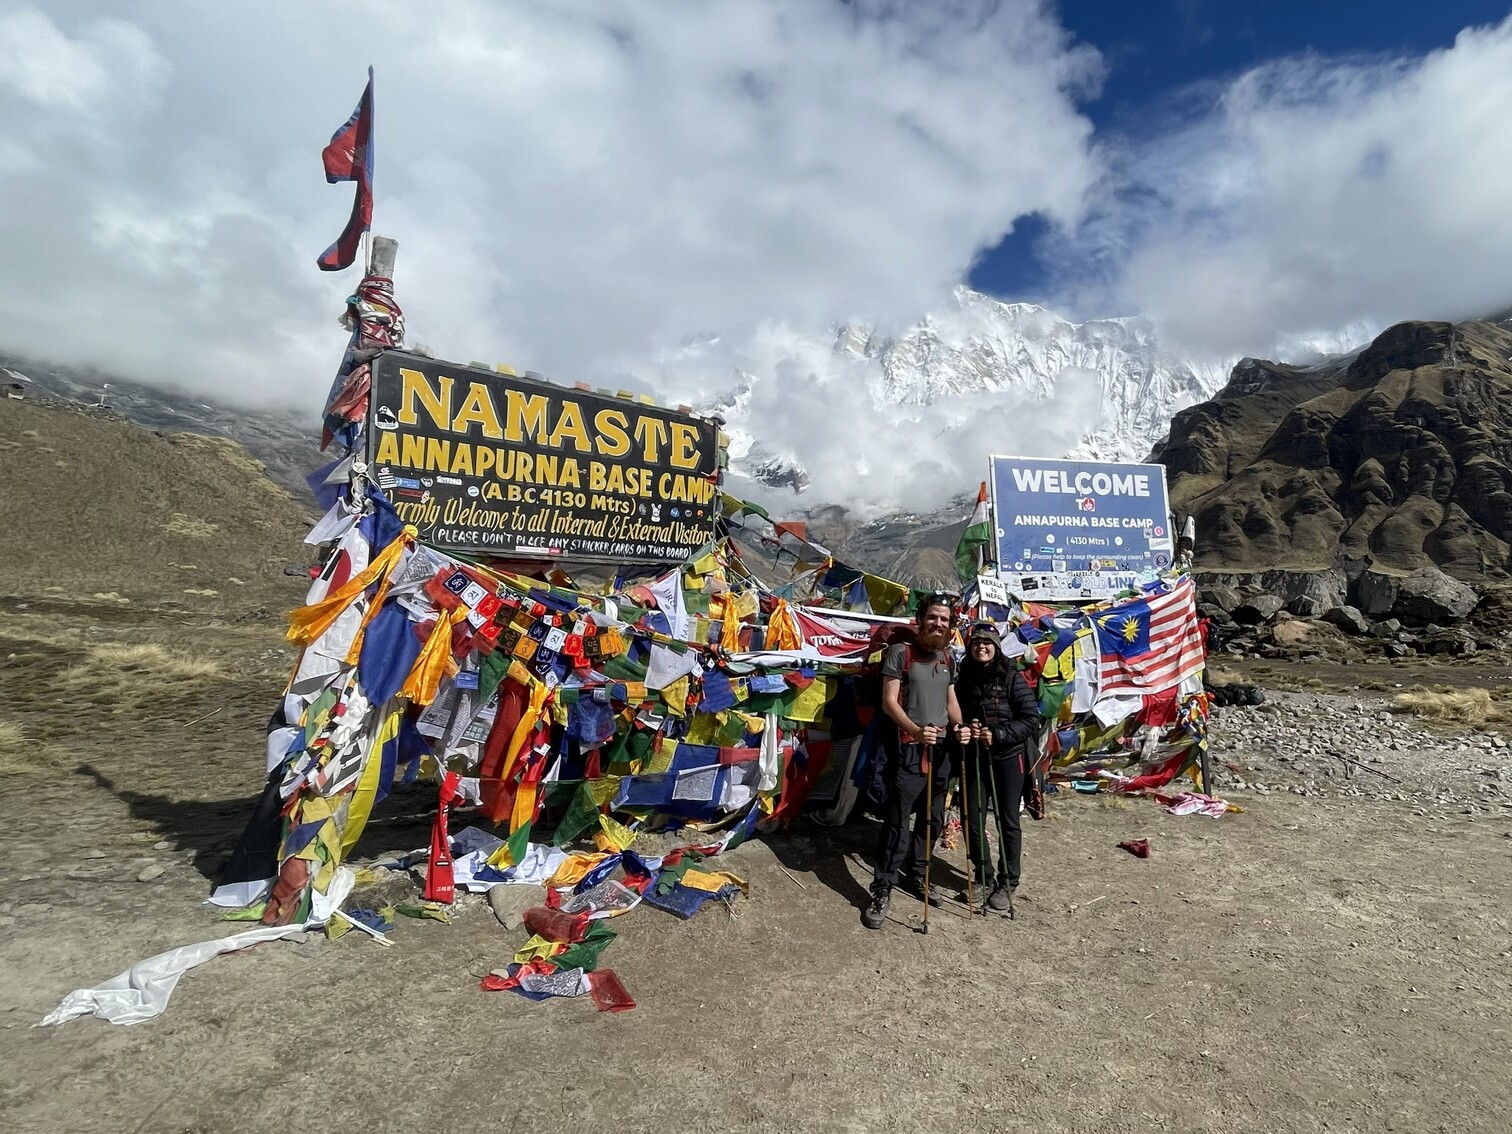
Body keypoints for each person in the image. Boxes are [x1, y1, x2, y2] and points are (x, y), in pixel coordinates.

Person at [861, 594, 963, 930]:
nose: (938, 624)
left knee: (931, 820)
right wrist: (916, 732)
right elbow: (890, 702)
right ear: (920, 619)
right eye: (933, 617)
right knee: (896, 823)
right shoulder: (900, 654)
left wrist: (959, 728)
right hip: (908, 750)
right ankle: (882, 888)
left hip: (941, 751)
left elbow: (950, 700)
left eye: (944, 620)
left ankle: (917, 876)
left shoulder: (947, 657)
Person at [953, 620, 1040, 911]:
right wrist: (963, 728)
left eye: (987, 642)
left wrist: (999, 734)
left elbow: (1031, 719)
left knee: (1007, 821)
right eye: (976, 642)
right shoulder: (962, 676)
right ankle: (983, 876)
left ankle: (1008, 881)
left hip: (1007, 757)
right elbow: (955, 712)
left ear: (997, 647)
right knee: (972, 819)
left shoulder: (1012, 677)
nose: (982, 647)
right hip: (975, 757)